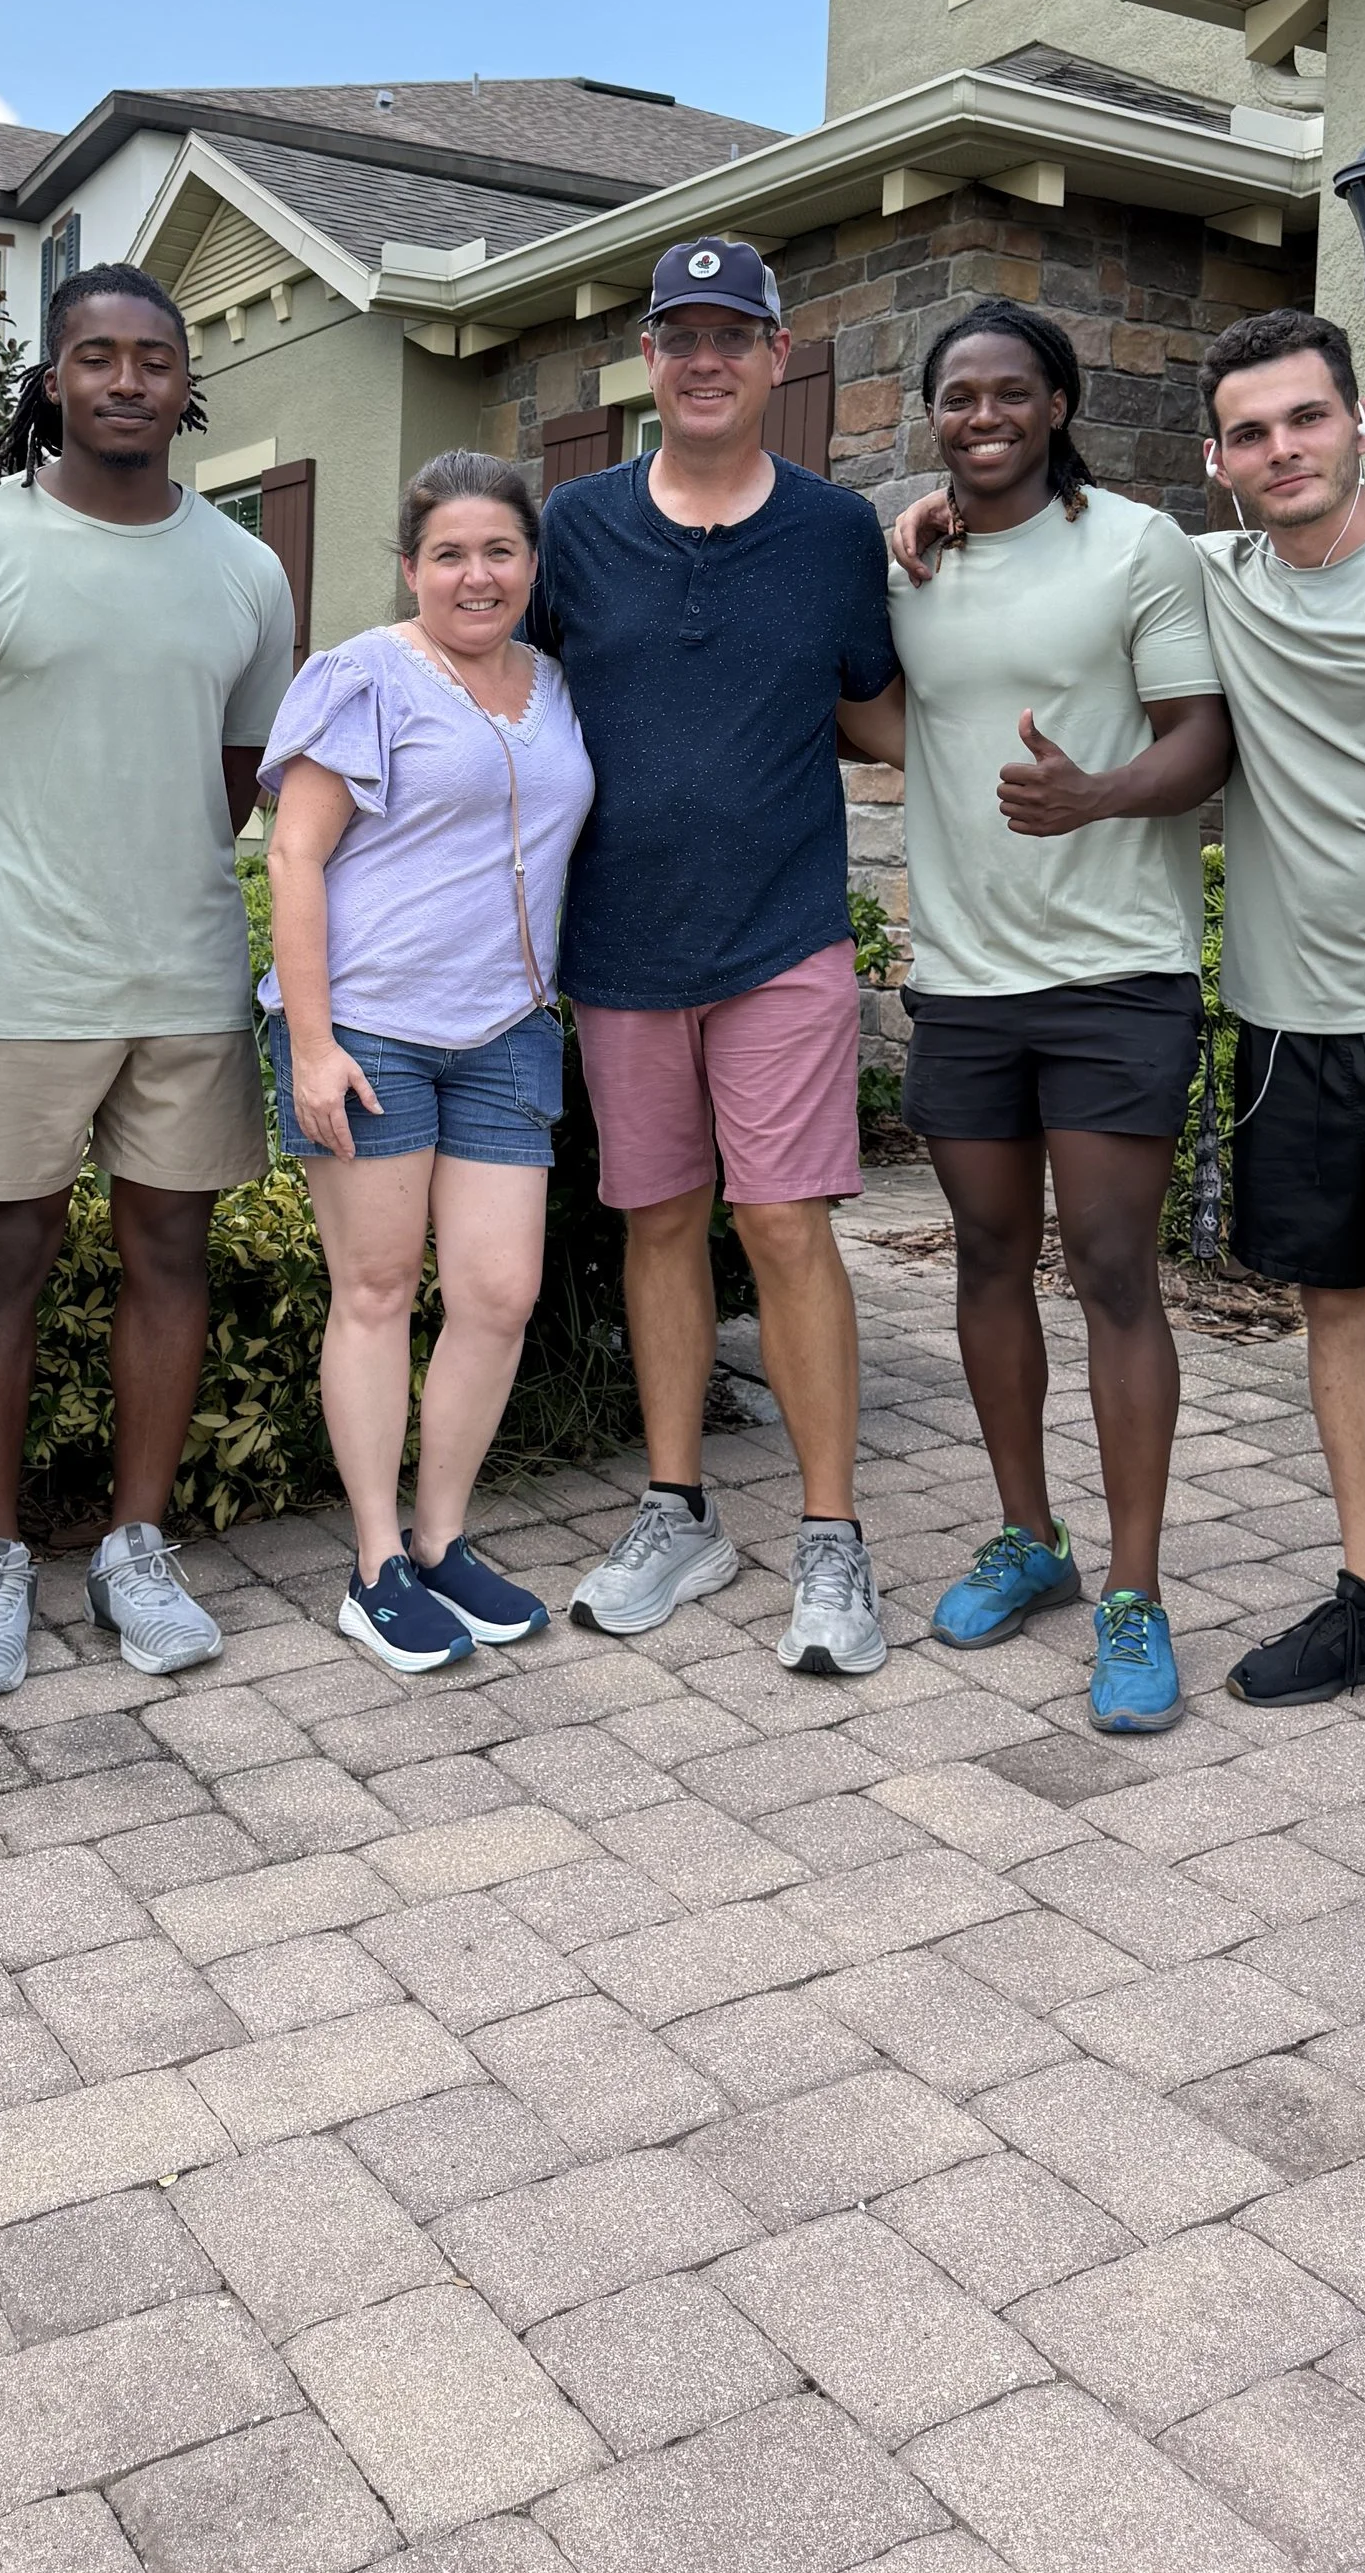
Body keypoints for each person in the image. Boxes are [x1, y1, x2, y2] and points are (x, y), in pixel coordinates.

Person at [897, 304, 1365, 1794]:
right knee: (1339, 1317)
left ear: (1364, 421)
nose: (1281, 450)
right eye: (1250, 432)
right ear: (1217, 463)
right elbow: (1056, 552)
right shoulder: (1211, 571)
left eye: (1306, 419)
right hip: (1288, 1020)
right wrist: (932, 507)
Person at [0, 263, 295, 1698]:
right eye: (94, 357)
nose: (125, 380)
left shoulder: (245, 568)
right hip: (23, 984)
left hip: (183, 973)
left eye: (152, 359)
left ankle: (135, 1544)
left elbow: (234, 777)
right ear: (51, 380)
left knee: (174, 1254)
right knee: (7, 1256)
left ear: (187, 385)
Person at [846, 300, 1230, 1735]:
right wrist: (903, 529)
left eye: (1013, 391)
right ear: (932, 414)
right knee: (991, 1256)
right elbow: (869, 708)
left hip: (1116, 968)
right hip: (963, 976)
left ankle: (1135, 1590)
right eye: (958, 396)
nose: (985, 414)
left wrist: (1097, 795)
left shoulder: (1137, 547)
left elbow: (1203, 737)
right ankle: (1033, 1539)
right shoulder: (914, 566)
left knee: (1117, 1270)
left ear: (1059, 404)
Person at [528, 235, 901, 1674]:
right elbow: (508, 679)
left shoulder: (834, 532)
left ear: (774, 357)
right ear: (647, 360)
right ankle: (677, 1509)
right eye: (676, 335)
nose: (701, 359)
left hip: (782, 938)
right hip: (617, 946)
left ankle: (830, 1539)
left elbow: (878, 709)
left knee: (786, 1224)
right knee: (661, 1222)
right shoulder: (576, 526)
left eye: (728, 336)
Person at [261, 450, 595, 1670]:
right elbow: (294, 858)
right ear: (411, 567)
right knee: (377, 1291)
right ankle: (373, 1564)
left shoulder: (554, 686)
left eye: (499, 550)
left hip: (508, 1029)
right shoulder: (362, 677)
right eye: (448, 553)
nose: (476, 574)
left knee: (498, 1296)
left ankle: (445, 1542)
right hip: (372, 1030)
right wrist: (310, 1044)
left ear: (529, 566)